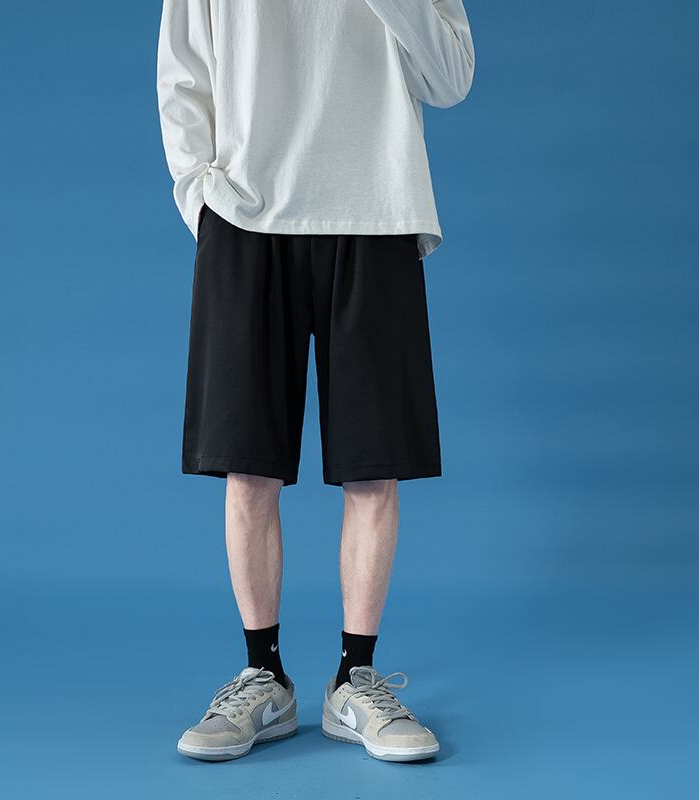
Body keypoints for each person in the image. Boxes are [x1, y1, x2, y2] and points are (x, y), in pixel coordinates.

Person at [156, 0, 474, 762]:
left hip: (377, 207)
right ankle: (262, 677)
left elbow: (451, 76)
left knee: (374, 468)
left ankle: (355, 679)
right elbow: (182, 69)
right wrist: (202, 199)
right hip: (245, 215)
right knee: (247, 468)